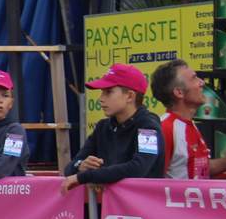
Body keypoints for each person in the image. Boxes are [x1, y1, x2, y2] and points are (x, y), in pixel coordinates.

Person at [62, 64, 164, 195]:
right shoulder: (102, 127)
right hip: (112, 205)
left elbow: (139, 168)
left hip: (143, 204)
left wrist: (85, 176)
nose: (101, 99)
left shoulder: (148, 127)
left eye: (108, 92)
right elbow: (69, 169)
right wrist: (81, 165)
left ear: (130, 96)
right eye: (102, 92)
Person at [150, 60, 226, 178]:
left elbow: (202, 168)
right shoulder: (164, 128)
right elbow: (152, 180)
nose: (202, 82)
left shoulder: (188, 124)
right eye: (194, 78)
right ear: (179, 92)